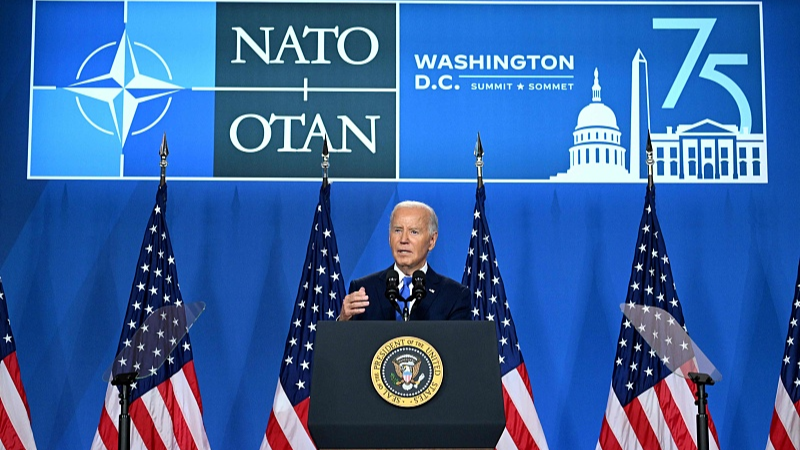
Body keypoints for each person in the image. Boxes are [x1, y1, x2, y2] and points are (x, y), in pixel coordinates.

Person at [339, 200, 471, 321]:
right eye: (397, 230)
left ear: (432, 240)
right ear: (389, 237)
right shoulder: (365, 291)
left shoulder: (454, 296)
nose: (403, 240)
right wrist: (343, 321)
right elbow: (346, 344)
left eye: (414, 232)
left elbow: (459, 345)